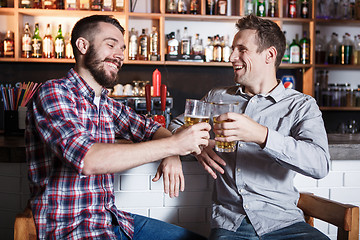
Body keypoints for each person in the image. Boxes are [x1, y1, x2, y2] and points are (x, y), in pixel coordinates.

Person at [25, 15, 210, 240]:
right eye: (111, 44)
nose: (120, 55)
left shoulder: (107, 104)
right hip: (73, 230)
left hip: (111, 220)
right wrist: (174, 145)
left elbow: (150, 128)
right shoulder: (54, 92)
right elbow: (88, 160)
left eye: (122, 48)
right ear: (82, 46)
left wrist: (172, 152)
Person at [169, 14, 331, 240]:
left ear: (269, 55)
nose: (231, 57)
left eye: (241, 49)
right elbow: (175, 125)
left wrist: (261, 135)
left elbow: (319, 164)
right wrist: (197, 145)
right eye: (232, 49)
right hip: (231, 225)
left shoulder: (301, 105)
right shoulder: (218, 96)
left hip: (286, 224)